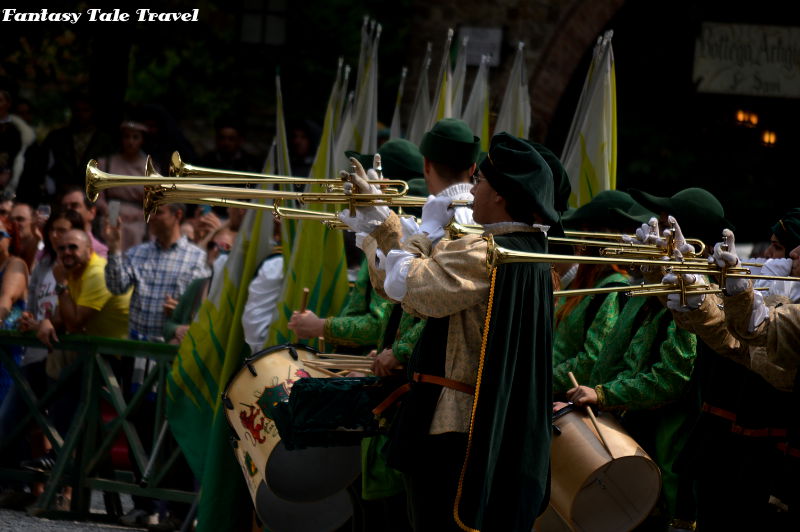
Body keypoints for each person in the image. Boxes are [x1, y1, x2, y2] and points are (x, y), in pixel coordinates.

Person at [341, 132, 557, 531]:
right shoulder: (521, 248)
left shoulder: (486, 250)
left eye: (482, 183)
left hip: (453, 423)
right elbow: (407, 286)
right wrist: (382, 224)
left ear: (501, 196)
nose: (473, 189)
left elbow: (412, 289)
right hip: (457, 417)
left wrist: (411, 230)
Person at [103, 201, 208, 527]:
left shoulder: (197, 257)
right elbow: (117, 286)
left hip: (174, 358)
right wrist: (115, 248)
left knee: (173, 431)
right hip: (140, 356)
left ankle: (175, 511)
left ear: (177, 215)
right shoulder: (139, 252)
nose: (151, 217)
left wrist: (182, 311)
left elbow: (201, 307)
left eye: (158, 211)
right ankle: (144, 505)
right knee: (139, 427)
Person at [97, 121, 150, 251]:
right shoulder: (106, 163)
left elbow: (154, 200)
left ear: (142, 140)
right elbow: (98, 196)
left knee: (136, 234)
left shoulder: (149, 166)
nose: (130, 141)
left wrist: (140, 214)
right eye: (126, 137)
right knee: (113, 231)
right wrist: (110, 211)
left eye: (135, 137)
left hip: (138, 214)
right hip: (113, 208)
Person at [60, 186, 108, 258]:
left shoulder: (99, 251)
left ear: (92, 213)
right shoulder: (54, 245)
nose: (68, 210)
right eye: (64, 207)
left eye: (74, 206)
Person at [10, 202, 41, 270]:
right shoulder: (8, 246)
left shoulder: (42, 248)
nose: (15, 224)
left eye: (20, 219)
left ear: (33, 220)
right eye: (11, 220)